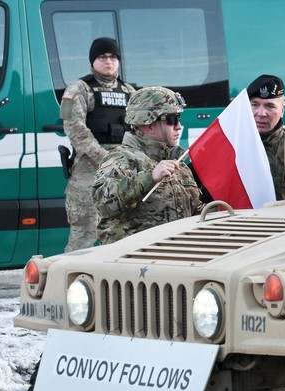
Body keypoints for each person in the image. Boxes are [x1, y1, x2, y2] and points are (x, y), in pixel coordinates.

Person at [92, 86, 202, 245]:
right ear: (150, 126)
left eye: (179, 118)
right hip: (135, 255)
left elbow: (197, 212)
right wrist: (149, 178)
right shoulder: (121, 159)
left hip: (177, 253)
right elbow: (102, 203)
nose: (179, 126)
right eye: (172, 119)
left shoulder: (178, 163)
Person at [61, 37, 135, 252]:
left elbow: (140, 131)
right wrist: (106, 159)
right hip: (89, 173)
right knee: (83, 235)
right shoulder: (78, 90)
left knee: (123, 234)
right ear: (92, 61)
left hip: (122, 171)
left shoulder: (129, 92)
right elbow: (76, 130)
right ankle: (71, 273)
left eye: (113, 57)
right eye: (102, 57)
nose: (108, 61)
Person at [247, 74, 285, 199]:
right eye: (254, 105)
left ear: (282, 110)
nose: (261, 113)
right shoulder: (230, 146)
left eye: (270, 106)